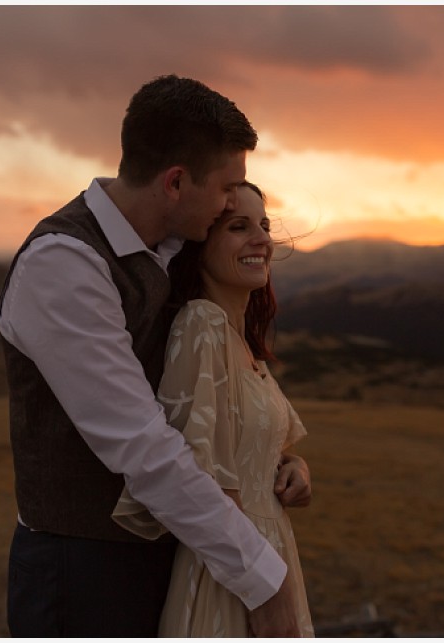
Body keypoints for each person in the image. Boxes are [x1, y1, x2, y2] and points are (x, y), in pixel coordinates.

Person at [0, 75, 310, 637]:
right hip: (83, 573)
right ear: (175, 182)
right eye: (224, 189)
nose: (227, 204)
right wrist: (264, 581)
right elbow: (143, 446)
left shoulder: (168, 253)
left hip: (173, 557)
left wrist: (269, 462)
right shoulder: (64, 265)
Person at [113, 181, 315, 637]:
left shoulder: (241, 343)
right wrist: (261, 591)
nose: (262, 238)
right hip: (234, 571)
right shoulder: (202, 324)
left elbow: (248, 449)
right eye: (238, 227)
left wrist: (294, 467)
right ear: (199, 247)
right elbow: (199, 472)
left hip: (271, 554)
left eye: (263, 225)